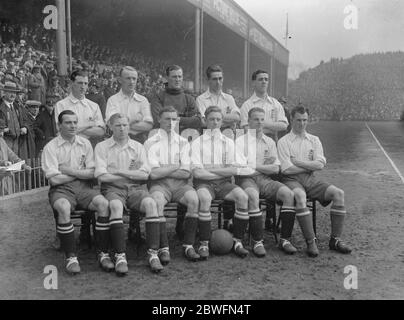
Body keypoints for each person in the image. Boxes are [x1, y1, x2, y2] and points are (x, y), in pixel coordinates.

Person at [277, 105, 352, 257]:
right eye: (298, 120)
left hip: (311, 179)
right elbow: (286, 170)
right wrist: (309, 166)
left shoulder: (314, 140)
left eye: (305, 120)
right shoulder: (284, 141)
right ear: (291, 120)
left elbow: (320, 164)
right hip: (290, 180)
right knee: (300, 196)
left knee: (339, 194)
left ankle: (335, 240)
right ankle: (311, 242)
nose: (302, 123)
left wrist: (298, 162)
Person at [41, 110, 110, 274]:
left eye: (74, 122)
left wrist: (68, 171)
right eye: (68, 122)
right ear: (59, 126)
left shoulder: (85, 143)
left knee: (104, 204)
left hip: (84, 188)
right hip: (61, 190)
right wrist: (79, 173)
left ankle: (103, 253)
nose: (72, 126)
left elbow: (93, 173)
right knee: (63, 208)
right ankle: (71, 257)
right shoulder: (50, 147)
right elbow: (54, 180)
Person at [94, 113, 163, 273]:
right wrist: (131, 173)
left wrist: (119, 172)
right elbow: (102, 175)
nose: (122, 128)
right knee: (116, 206)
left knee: (151, 204)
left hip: (136, 188)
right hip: (112, 188)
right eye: (118, 125)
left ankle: (153, 254)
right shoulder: (102, 147)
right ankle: (120, 256)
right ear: (110, 127)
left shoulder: (138, 147)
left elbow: (145, 174)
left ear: (129, 126)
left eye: (125, 125)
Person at [190, 106, 255, 259]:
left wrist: (211, 169)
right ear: (205, 121)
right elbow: (197, 172)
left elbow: (235, 169)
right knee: (204, 198)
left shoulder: (229, 142)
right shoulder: (197, 143)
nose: (215, 122)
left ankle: (238, 242)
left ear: (222, 122)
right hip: (203, 184)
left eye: (218, 119)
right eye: (211, 119)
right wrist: (221, 169)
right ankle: (204, 243)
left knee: (243, 197)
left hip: (225, 184)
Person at [235, 107, 297, 255]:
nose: (260, 123)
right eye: (256, 119)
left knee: (289, 195)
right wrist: (264, 166)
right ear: (248, 121)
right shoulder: (239, 141)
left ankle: (285, 240)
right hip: (246, 179)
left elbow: (276, 169)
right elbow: (240, 169)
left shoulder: (269, 142)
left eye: (262, 119)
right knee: (253, 196)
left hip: (265, 180)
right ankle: (257, 242)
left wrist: (254, 165)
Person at [144, 106, 201, 262]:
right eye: (167, 119)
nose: (171, 122)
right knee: (157, 202)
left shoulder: (183, 142)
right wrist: (176, 166)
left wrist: (164, 169)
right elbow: (153, 174)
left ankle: (188, 246)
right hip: (160, 185)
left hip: (181, 185)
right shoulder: (150, 142)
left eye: (174, 119)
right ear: (159, 120)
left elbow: (186, 173)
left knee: (194, 200)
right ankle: (164, 248)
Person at [54, 70, 105, 147]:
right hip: (67, 147)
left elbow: (101, 131)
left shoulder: (94, 106)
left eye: (85, 83)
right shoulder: (61, 105)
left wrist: (74, 129)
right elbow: (61, 130)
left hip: (89, 148)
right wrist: (89, 125)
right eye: (80, 83)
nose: (83, 86)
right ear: (71, 84)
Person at [105, 66, 153, 143]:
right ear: (120, 80)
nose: (131, 82)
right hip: (118, 141)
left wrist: (122, 123)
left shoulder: (143, 100)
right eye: (128, 78)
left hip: (139, 141)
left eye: (134, 79)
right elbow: (111, 124)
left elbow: (148, 125)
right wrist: (135, 121)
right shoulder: (113, 100)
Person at [150, 65, 202, 133]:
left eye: (179, 76)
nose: (177, 79)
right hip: (164, 137)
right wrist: (186, 121)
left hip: (185, 138)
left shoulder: (189, 99)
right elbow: (158, 120)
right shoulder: (158, 97)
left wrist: (176, 119)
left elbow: (197, 121)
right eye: (174, 77)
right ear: (167, 78)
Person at [240, 70, 288, 142]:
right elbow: (246, 129)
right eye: (260, 79)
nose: (264, 82)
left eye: (266, 79)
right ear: (253, 83)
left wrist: (264, 124)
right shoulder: (247, 105)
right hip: (252, 142)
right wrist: (273, 127)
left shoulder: (275, 103)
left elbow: (284, 125)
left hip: (272, 142)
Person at [196, 65, 240, 131]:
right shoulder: (201, 99)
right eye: (214, 79)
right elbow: (204, 122)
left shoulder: (229, 98)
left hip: (228, 137)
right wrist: (229, 121)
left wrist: (212, 118)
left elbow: (237, 117)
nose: (218, 82)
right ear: (208, 80)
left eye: (220, 78)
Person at [0, 81, 24, 154]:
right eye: (10, 92)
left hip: (16, 141)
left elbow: (22, 120)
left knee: (15, 162)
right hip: (5, 140)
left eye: (14, 93)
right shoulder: (1, 107)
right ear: (5, 92)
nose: (13, 95)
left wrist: (23, 127)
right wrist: (3, 129)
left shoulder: (17, 106)